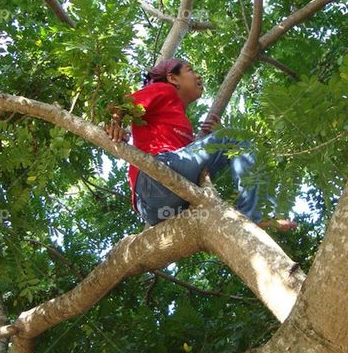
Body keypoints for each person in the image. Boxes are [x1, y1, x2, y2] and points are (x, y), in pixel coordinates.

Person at [105, 58, 296, 231]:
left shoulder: (182, 121)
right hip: (154, 176)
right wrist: (115, 125)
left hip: (158, 211)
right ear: (173, 78)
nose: (198, 75)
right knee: (237, 138)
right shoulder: (164, 90)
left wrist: (215, 138)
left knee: (227, 146)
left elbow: (195, 158)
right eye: (190, 70)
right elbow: (121, 105)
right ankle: (256, 214)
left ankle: (245, 217)